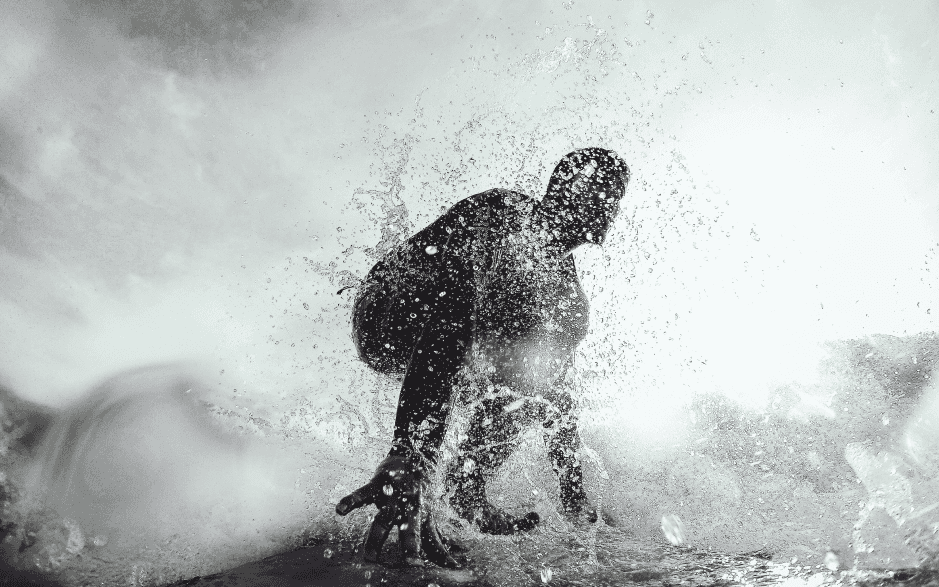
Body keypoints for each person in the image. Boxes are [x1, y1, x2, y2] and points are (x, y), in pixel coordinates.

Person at [335, 147, 630, 568]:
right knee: (465, 297)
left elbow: (559, 401)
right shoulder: (504, 215)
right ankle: (410, 464)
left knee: (541, 381)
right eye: (603, 192)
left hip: (448, 328)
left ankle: (467, 486)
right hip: (388, 310)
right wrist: (408, 452)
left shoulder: (567, 299)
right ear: (566, 189)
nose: (610, 208)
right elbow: (451, 313)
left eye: (615, 196)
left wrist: (575, 501)